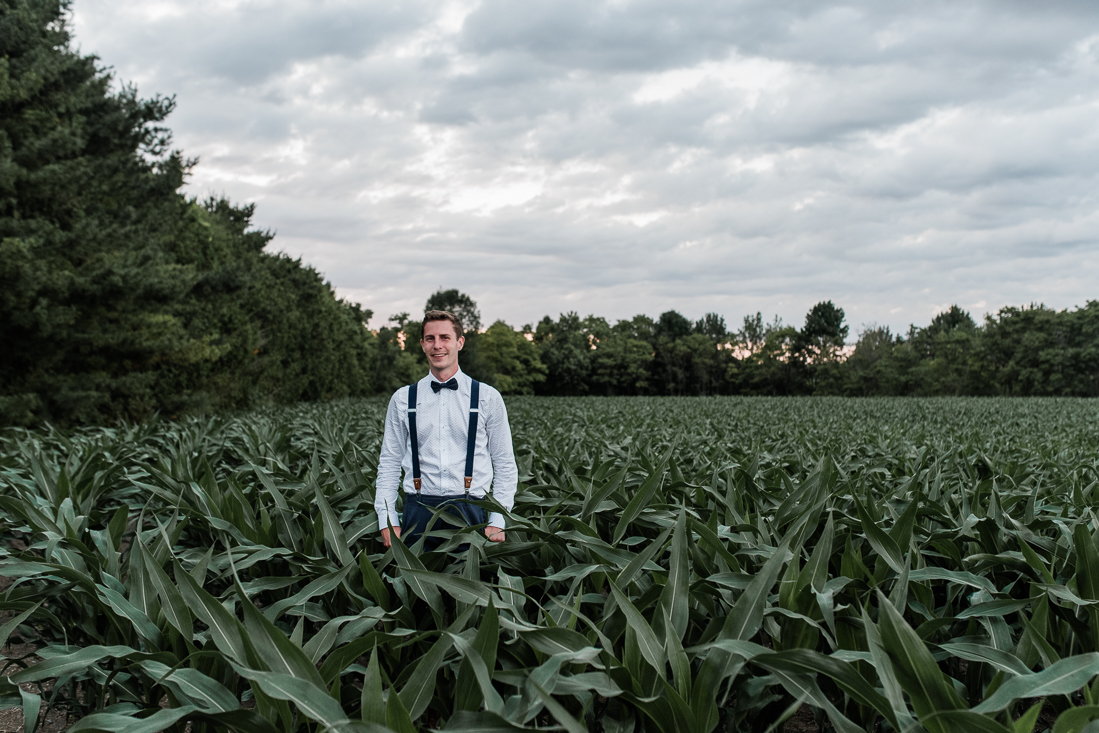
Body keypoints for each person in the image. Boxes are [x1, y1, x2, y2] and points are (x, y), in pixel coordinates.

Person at [374, 309, 517, 551]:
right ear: (422, 345)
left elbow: (504, 463)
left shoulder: (487, 397)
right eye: (430, 339)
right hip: (417, 512)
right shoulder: (403, 399)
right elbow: (389, 463)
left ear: (460, 342)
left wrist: (498, 517)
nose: (437, 345)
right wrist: (386, 519)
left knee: (469, 586)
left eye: (445, 338)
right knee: (418, 587)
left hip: (472, 512)